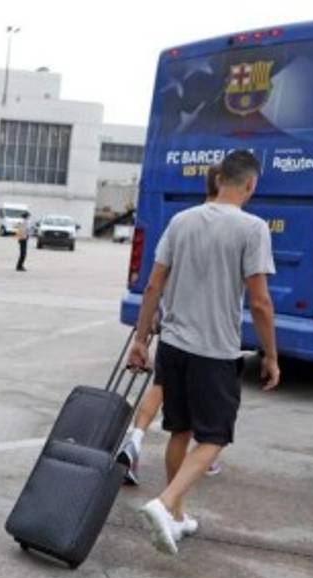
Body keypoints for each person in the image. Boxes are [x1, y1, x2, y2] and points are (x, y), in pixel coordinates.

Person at [127, 149, 280, 555]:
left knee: (181, 430)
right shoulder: (252, 228)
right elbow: (261, 302)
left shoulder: (181, 220)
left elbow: (153, 286)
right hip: (215, 351)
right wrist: (271, 355)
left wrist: (141, 340)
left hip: (174, 346)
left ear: (218, 179)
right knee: (215, 437)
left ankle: (177, 516)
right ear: (251, 184)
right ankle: (163, 504)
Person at [117, 165, 225, 486]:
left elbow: (154, 283)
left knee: (160, 386)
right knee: (199, 418)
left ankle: (134, 439)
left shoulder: (180, 223)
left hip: (172, 330)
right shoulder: (238, 228)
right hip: (210, 340)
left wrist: (143, 332)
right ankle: (193, 474)